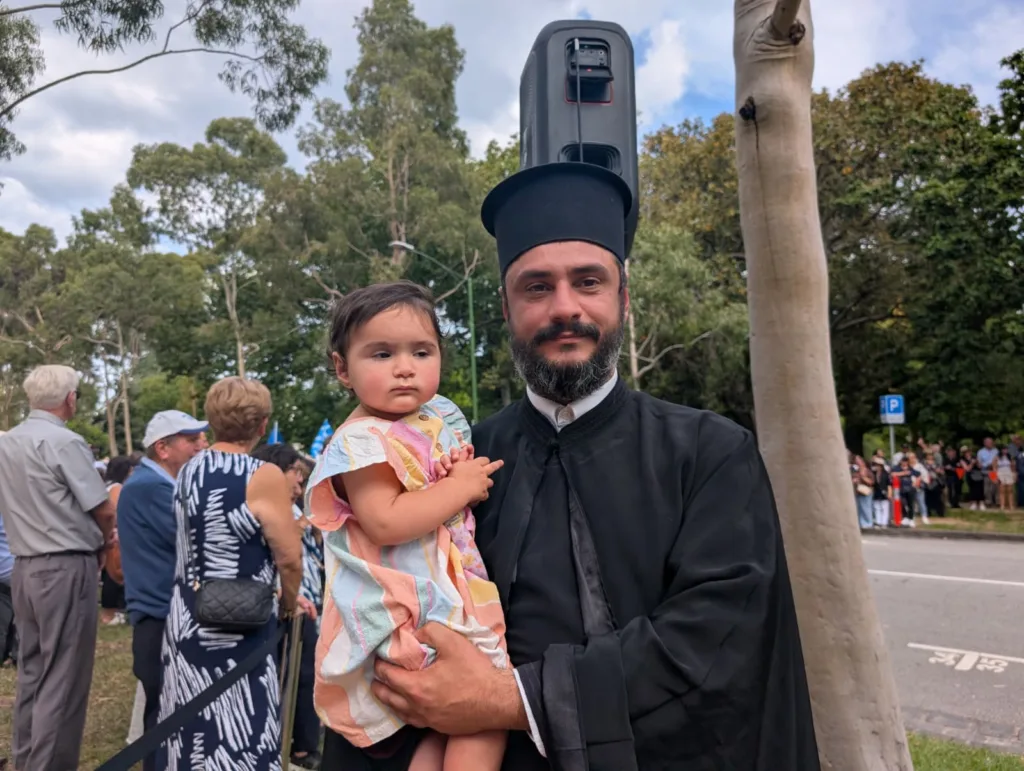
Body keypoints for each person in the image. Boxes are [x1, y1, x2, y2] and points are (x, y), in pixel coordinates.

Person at [365, 162, 820, 769]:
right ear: (505, 306)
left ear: (623, 299)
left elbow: (715, 638)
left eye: (588, 282)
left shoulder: (711, 453)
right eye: (536, 287)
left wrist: (509, 699)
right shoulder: (461, 460)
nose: (564, 308)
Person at [307, 281, 508, 771]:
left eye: (421, 351)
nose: (404, 367)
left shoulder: (430, 420)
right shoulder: (361, 442)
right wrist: (459, 488)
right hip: (409, 605)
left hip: (441, 590)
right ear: (342, 369)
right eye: (381, 354)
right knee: (484, 711)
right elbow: (386, 522)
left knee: (441, 725)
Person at [158, 377, 303, 771]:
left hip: (187, 618)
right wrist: (290, 604)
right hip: (240, 623)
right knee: (242, 729)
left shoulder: (187, 472)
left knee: (192, 729)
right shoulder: (262, 475)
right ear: (262, 424)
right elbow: (289, 557)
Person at [0, 364, 117, 770]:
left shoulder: (7, 442)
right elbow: (102, 508)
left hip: (24, 566)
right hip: (65, 564)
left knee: (32, 671)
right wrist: (105, 544)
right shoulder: (65, 443)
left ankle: (26, 759)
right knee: (64, 677)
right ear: (69, 399)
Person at [117, 409, 208, 769]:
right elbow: (195, 540)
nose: (201, 445)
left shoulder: (149, 483)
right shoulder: (152, 487)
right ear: (163, 448)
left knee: (168, 711)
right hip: (161, 615)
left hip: (161, 613)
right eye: (191, 439)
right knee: (164, 716)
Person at [251, 442, 324, 770]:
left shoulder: (295, 508)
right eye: (295, 471)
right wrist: (287, 596)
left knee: (307, 676)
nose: (300, 480)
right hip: (289, 605)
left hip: (309, 601)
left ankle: (305, 743)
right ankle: (291, 747)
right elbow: (278, 557)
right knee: (291, 676)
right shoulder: (266, 507)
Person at [100, 455, 136, 626]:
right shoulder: (117, 489)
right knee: (114, 575)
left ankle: (111, 612)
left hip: (107, 534)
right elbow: (116, 512)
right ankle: (110, 613)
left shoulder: (106, 486)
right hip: (115, 535)